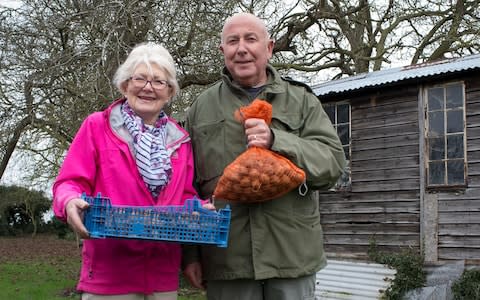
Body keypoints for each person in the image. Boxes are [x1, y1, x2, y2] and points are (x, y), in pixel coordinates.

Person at [182, 13, 347, 300]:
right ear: (223, 51)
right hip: (226, 258)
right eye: (232, 41)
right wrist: (190, 255)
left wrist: (277, 140)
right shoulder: (201, 109)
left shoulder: (302, 101)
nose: (241, 48)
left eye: (250, 39)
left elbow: (332, 165)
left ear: (269, 48)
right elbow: (185, 186)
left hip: (291, 256)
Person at [52, 42, 211, 300]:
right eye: (140, 79)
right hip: (109, 276)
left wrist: (199, 211)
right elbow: (69, 182)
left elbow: (184, 198)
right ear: (125, 85)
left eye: (159, 82)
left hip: (162, 277)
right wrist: (69, 201)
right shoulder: (97, 127)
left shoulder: (180, 141)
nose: (148, 87)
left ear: (169, 92)